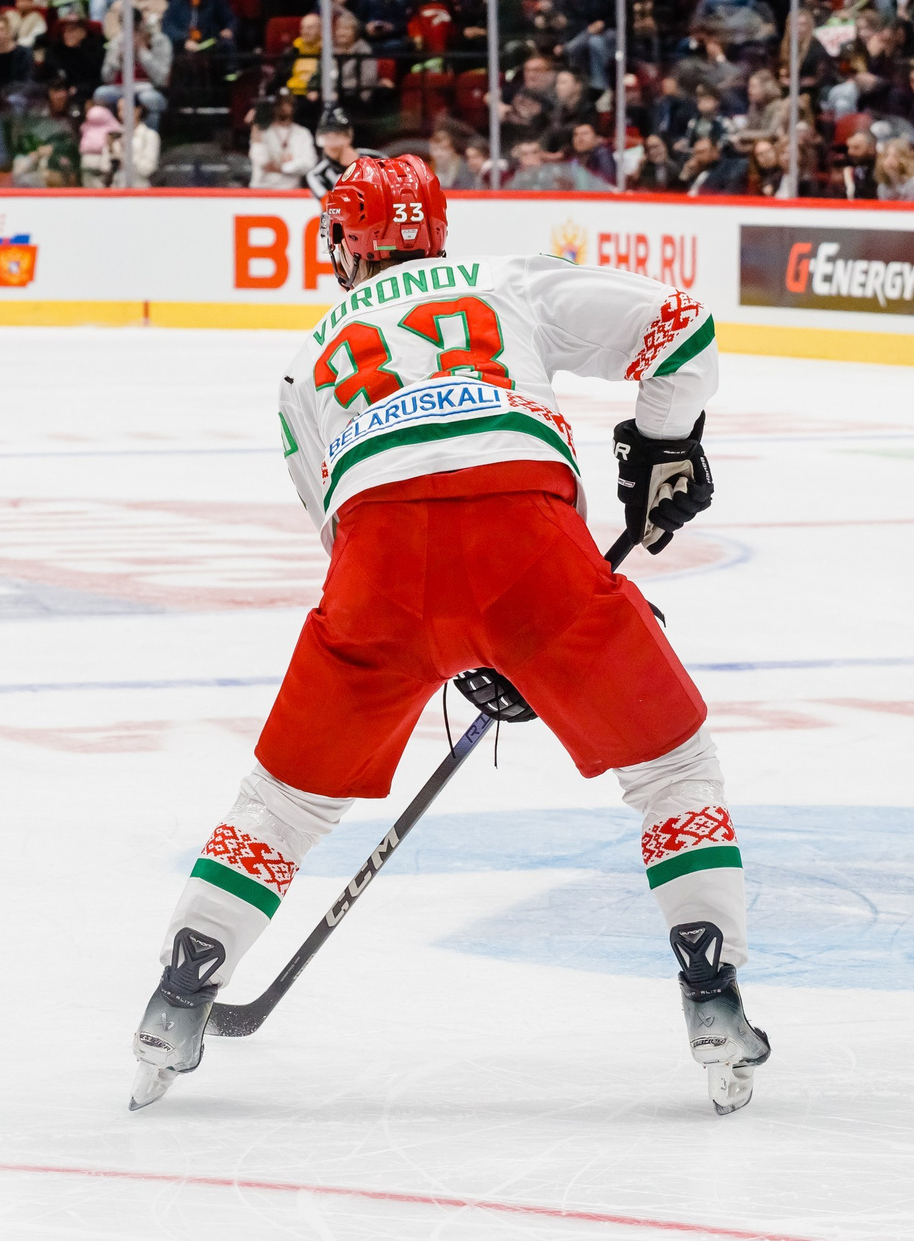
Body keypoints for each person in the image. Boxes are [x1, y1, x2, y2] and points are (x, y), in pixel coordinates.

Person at [131, 155, 756, 1116]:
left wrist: (456, 644)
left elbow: (348, 539)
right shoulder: (504, 280)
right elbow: (682, 329)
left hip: (379, 564)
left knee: (285, 805)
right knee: (674, 772)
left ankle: (178, 995)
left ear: (347, 241)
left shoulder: (307, 366)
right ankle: (713, 995)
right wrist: (666, 447)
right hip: (531, 547)